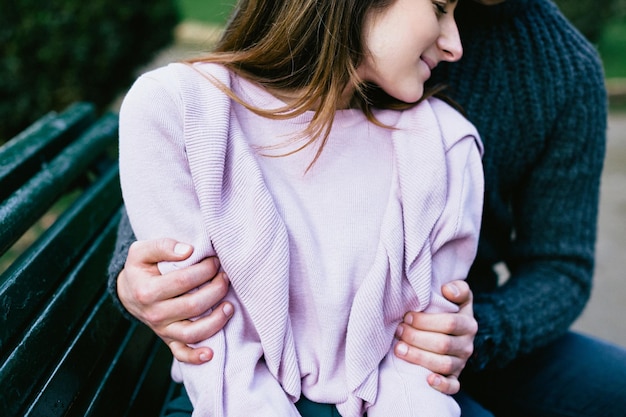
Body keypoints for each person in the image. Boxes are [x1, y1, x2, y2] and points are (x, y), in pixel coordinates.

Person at [110, 0, 626, 416]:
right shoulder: (329, 21)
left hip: (448, 322)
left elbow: (561, 266)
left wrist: (474, 332)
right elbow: (199, 151)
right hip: (286, 339)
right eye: (441, 10)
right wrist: (132, 280)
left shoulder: (562, 69)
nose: (453, 45)